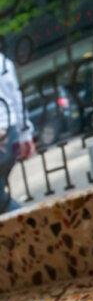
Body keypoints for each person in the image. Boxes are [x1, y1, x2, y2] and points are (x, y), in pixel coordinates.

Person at [0, 51, 35, 215]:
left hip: (5, 133)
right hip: (10, 131)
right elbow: (15, 97)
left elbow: (15, 97)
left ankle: (31, 225)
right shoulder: (3, 61)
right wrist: (25, 134)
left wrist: (25, 134)